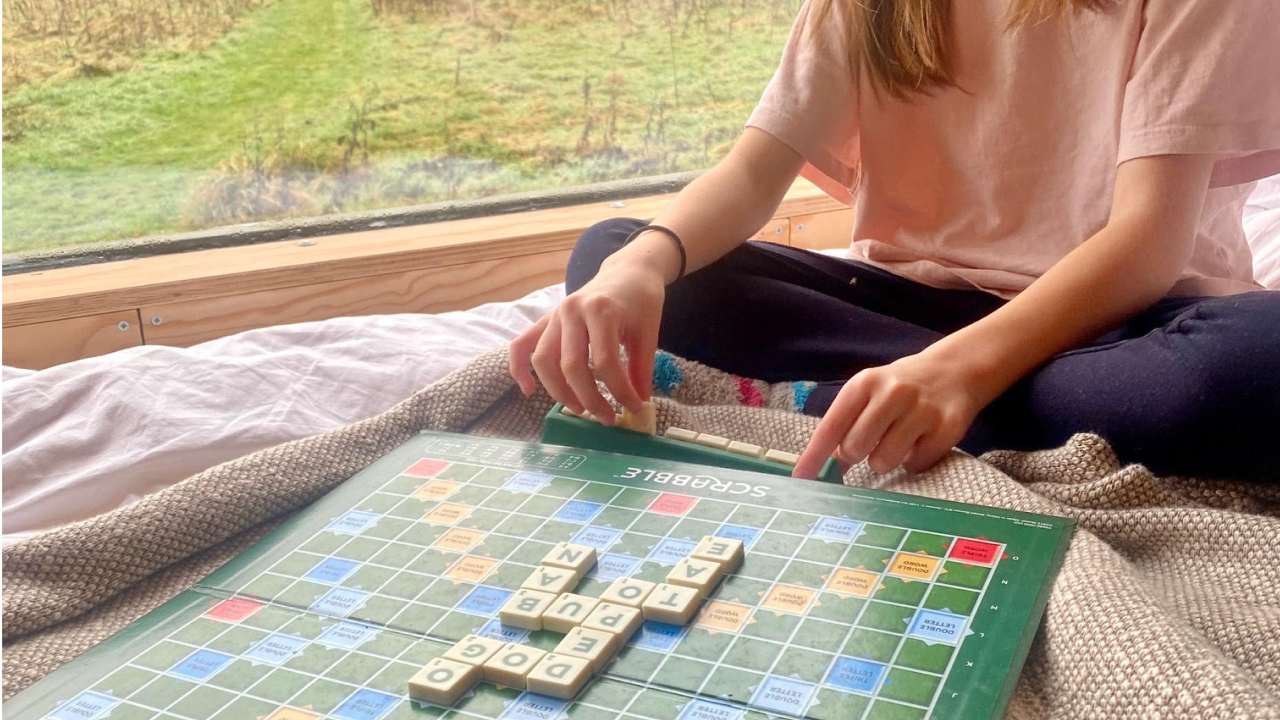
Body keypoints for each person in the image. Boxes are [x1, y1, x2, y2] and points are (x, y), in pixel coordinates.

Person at [509, 0, 1280, 482]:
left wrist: (960, 374)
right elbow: (750, 172)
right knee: (614, 253)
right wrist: (640, 266)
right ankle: (925, 399)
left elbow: (1144, 244)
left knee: (1256, 358)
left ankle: (870, 395)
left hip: (1113, 320)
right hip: (903, 304)